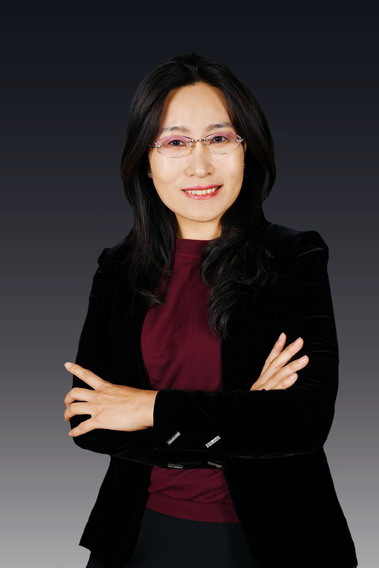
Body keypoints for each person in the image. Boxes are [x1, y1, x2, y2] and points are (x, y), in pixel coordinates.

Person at [63, 52, 358, 568]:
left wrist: (149, 409)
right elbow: (91, 421)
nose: (200, 165)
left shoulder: (293, 256)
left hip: (270, 539)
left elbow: (303, 421)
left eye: (219, 138)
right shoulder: (118, 267)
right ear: (145, 159)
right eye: (175, 142)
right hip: (133, 533)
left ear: (248, 149)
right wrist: (245, 414)